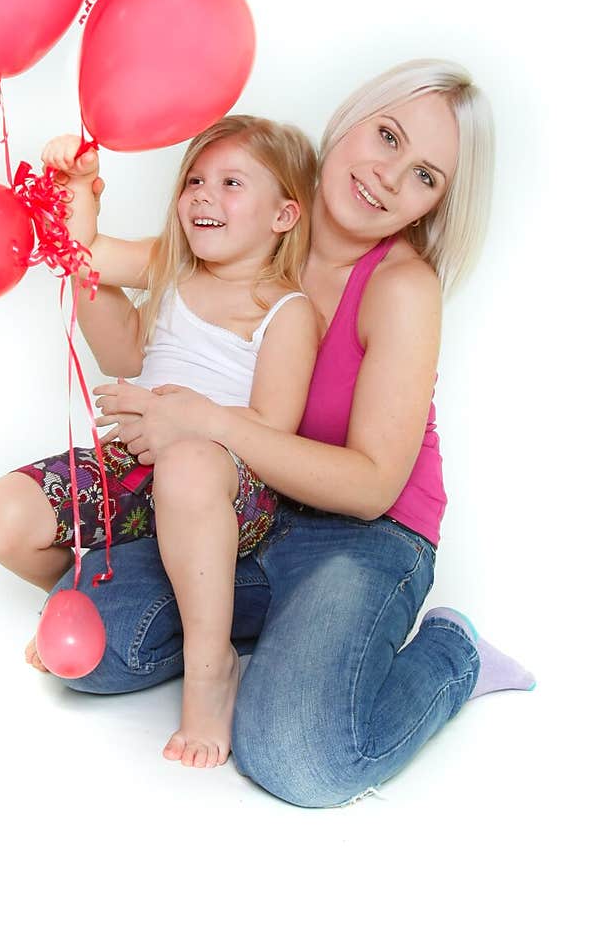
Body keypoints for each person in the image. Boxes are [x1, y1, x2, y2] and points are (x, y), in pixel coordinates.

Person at [49, 59, 536, 807]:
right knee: (86, 649)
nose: (386, 176)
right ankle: (255, 643)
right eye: (386, 135)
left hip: (363, 537)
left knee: (300, 759)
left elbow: (372, 485)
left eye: (424, 176)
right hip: (252, 514)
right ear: (350, 119)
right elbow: (142, 311)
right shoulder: (265, 216)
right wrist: (74, 210)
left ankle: (452, 654)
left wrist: (207, 421)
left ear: (434, 206)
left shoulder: (401, 288)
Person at [0, 115, 319, 767]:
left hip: (225, 492)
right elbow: (99, 290)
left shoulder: (287, 311)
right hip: (132, 470)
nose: (202, 194)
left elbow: (272, 435)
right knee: (3, 516)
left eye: (231, 182)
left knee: (189, 464)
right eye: (194, 179)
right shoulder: (170, 263)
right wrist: (79, 189)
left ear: (283, 215)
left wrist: (186, 424)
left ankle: (211, 668)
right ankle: (71, 601)